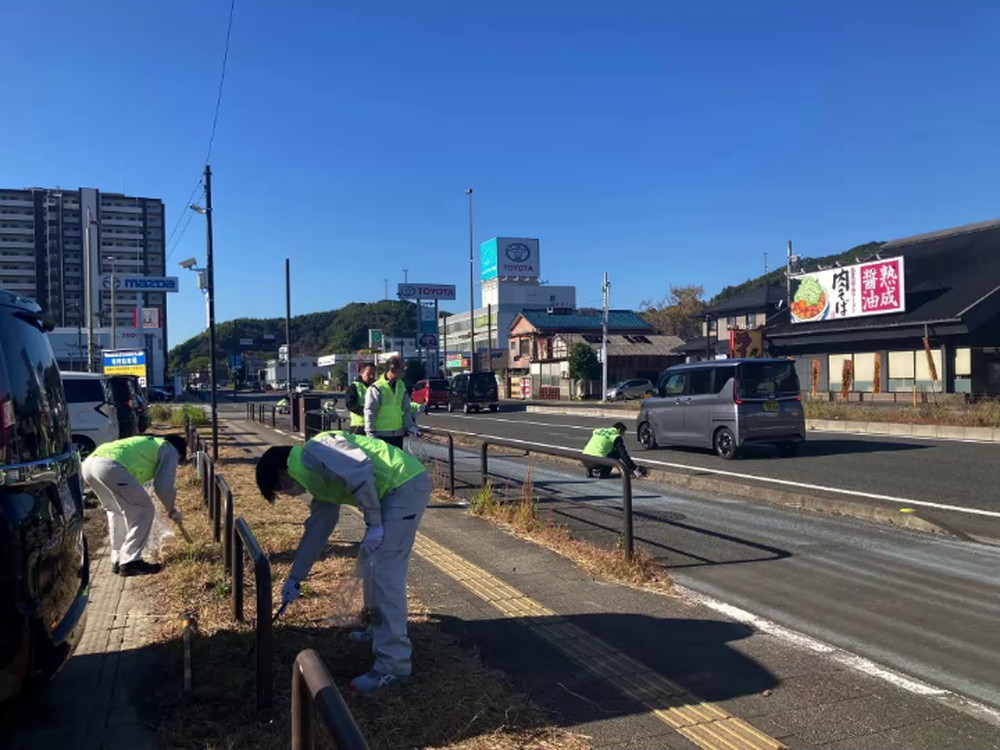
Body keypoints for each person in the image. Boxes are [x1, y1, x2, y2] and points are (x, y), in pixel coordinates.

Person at [254, 430, 431, 692]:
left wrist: (374, 522)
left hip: (403, 486)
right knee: (371, 566)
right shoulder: (316, 480)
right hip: (391, 491)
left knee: (384, 574)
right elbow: (317, 528)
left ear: (282, 472)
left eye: (279, 489)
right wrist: (295, 577)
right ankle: (375, 627)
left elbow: (360, 471)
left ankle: (393, 664)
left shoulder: (315, 450)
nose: (286, 493)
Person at [81, 434, 188, 576]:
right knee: (144, 510)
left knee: (116, 512)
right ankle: (131, 561)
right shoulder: (169, 450)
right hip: (110, 466)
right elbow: (163, 486)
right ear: (179, 452)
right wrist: (171, 509)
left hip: (89, 465)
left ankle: (118, 560)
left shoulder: (148, 444)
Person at [364, 355, 416, 449]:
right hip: (380, 435)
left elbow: (406, 409)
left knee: (396, 462)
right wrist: (370, 433)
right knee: (382, 463)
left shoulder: (401, 386)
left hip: (398, 434)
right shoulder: (377, 388)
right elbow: (370, 412)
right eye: (402, 368)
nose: (404, 371)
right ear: (392, 369)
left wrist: (409, 426)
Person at [345, 362, 376, 435]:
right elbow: (350, 404)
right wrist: (366, 412)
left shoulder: (376, 386)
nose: (372, 376)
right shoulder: (354, 386)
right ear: (361, 373)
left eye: (373, 374)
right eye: (368, 374)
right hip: (359, 426)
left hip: (375, 425)